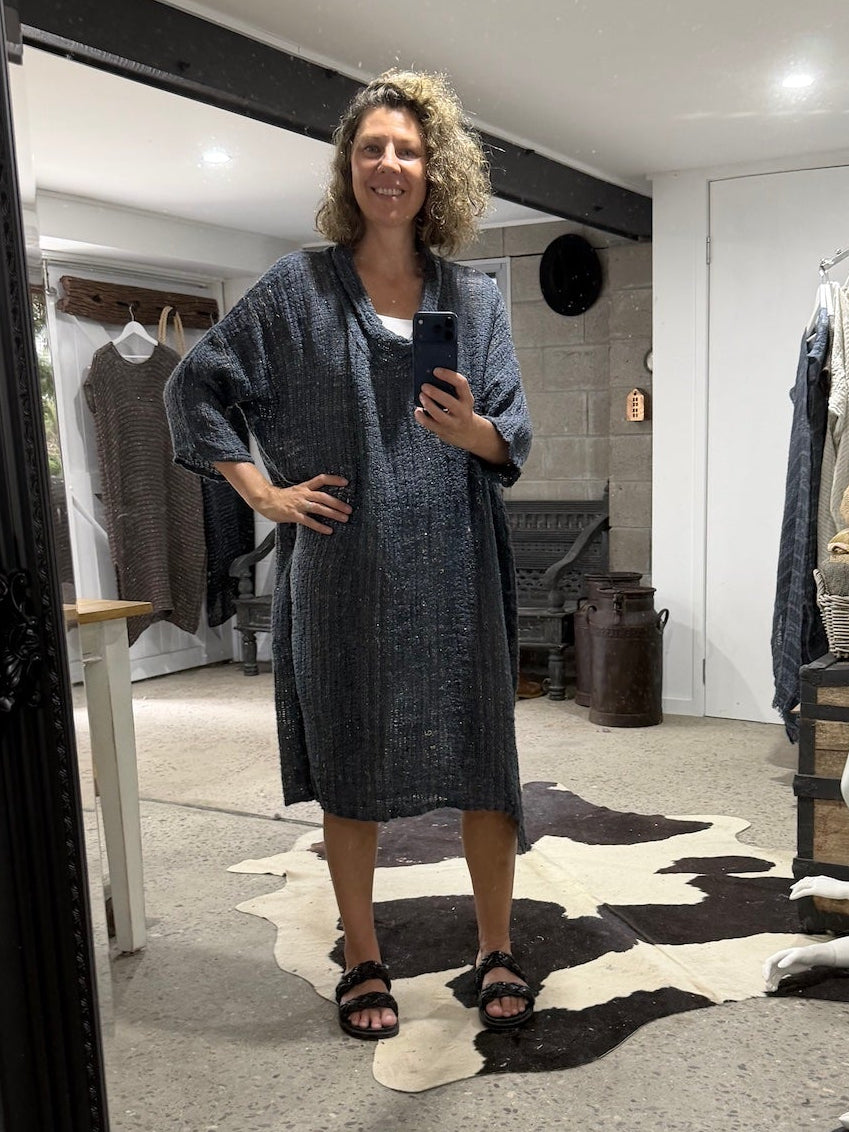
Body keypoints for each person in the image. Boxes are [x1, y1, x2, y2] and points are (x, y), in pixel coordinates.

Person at [164, 70, 535, 1040]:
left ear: (434, 169)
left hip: (457, 565)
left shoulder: (476, 300)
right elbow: (196, 387)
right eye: (372, 147)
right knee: (351, 754)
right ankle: (363, 955)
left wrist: (470, 431)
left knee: (484, 758)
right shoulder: (296, 289)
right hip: (342, 569)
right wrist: (262, 494)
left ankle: (496, 945)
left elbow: (512, 433)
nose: (389, 164)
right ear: (349, 166)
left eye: (407, 149)